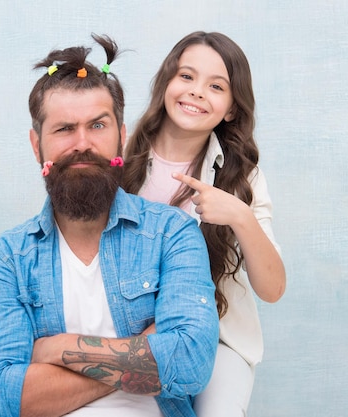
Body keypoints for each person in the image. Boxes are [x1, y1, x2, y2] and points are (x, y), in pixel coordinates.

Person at [0, 34, 219, 417]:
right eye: (64, 129)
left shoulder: (172, 234)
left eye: (98, 126)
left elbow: (190, 364)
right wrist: (141, 350)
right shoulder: (9, 258)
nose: (82, 143)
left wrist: (58, 349)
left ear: (121, 136)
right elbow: (1, 399)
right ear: (37, 146)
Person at [122, 31, 287, 417]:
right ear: (166, 83)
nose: (197, 92)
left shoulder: (243, 178)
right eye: (186, 76)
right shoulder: (120, 155)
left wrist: (240, 217)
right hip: (126, 334)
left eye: (216, 86)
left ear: (231, 108)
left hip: (217, 340)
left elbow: (273, 288)